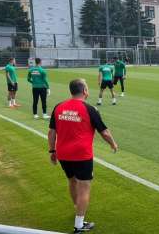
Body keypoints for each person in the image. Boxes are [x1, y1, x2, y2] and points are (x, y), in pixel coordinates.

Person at [48, 79, 118, 233]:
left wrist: (52, 151)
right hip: (81, 155)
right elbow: (104, 132)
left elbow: (52, 132)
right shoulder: (90, 109)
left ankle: (77, 208)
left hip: (63, 154)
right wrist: (113, 144)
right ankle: (79, 224)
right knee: (84, 188)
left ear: (71, 91)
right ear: (85, 90)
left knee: (72, 181)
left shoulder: (58, 107)